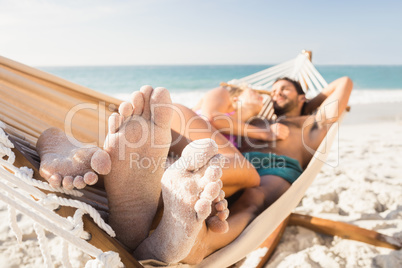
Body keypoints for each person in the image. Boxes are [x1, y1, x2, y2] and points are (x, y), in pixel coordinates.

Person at [36, 76, 353, 264]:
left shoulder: (309, 125)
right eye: (274, 89)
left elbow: (344, 84)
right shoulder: (258, 121)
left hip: (276, 170)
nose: (277, 93)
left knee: (254, 197)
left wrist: (307, 100)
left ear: (302, 96)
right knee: (200, 169)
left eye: (285, 89)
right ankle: (147, 194)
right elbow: (216, 126)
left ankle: (199, 240)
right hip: (224, 168)